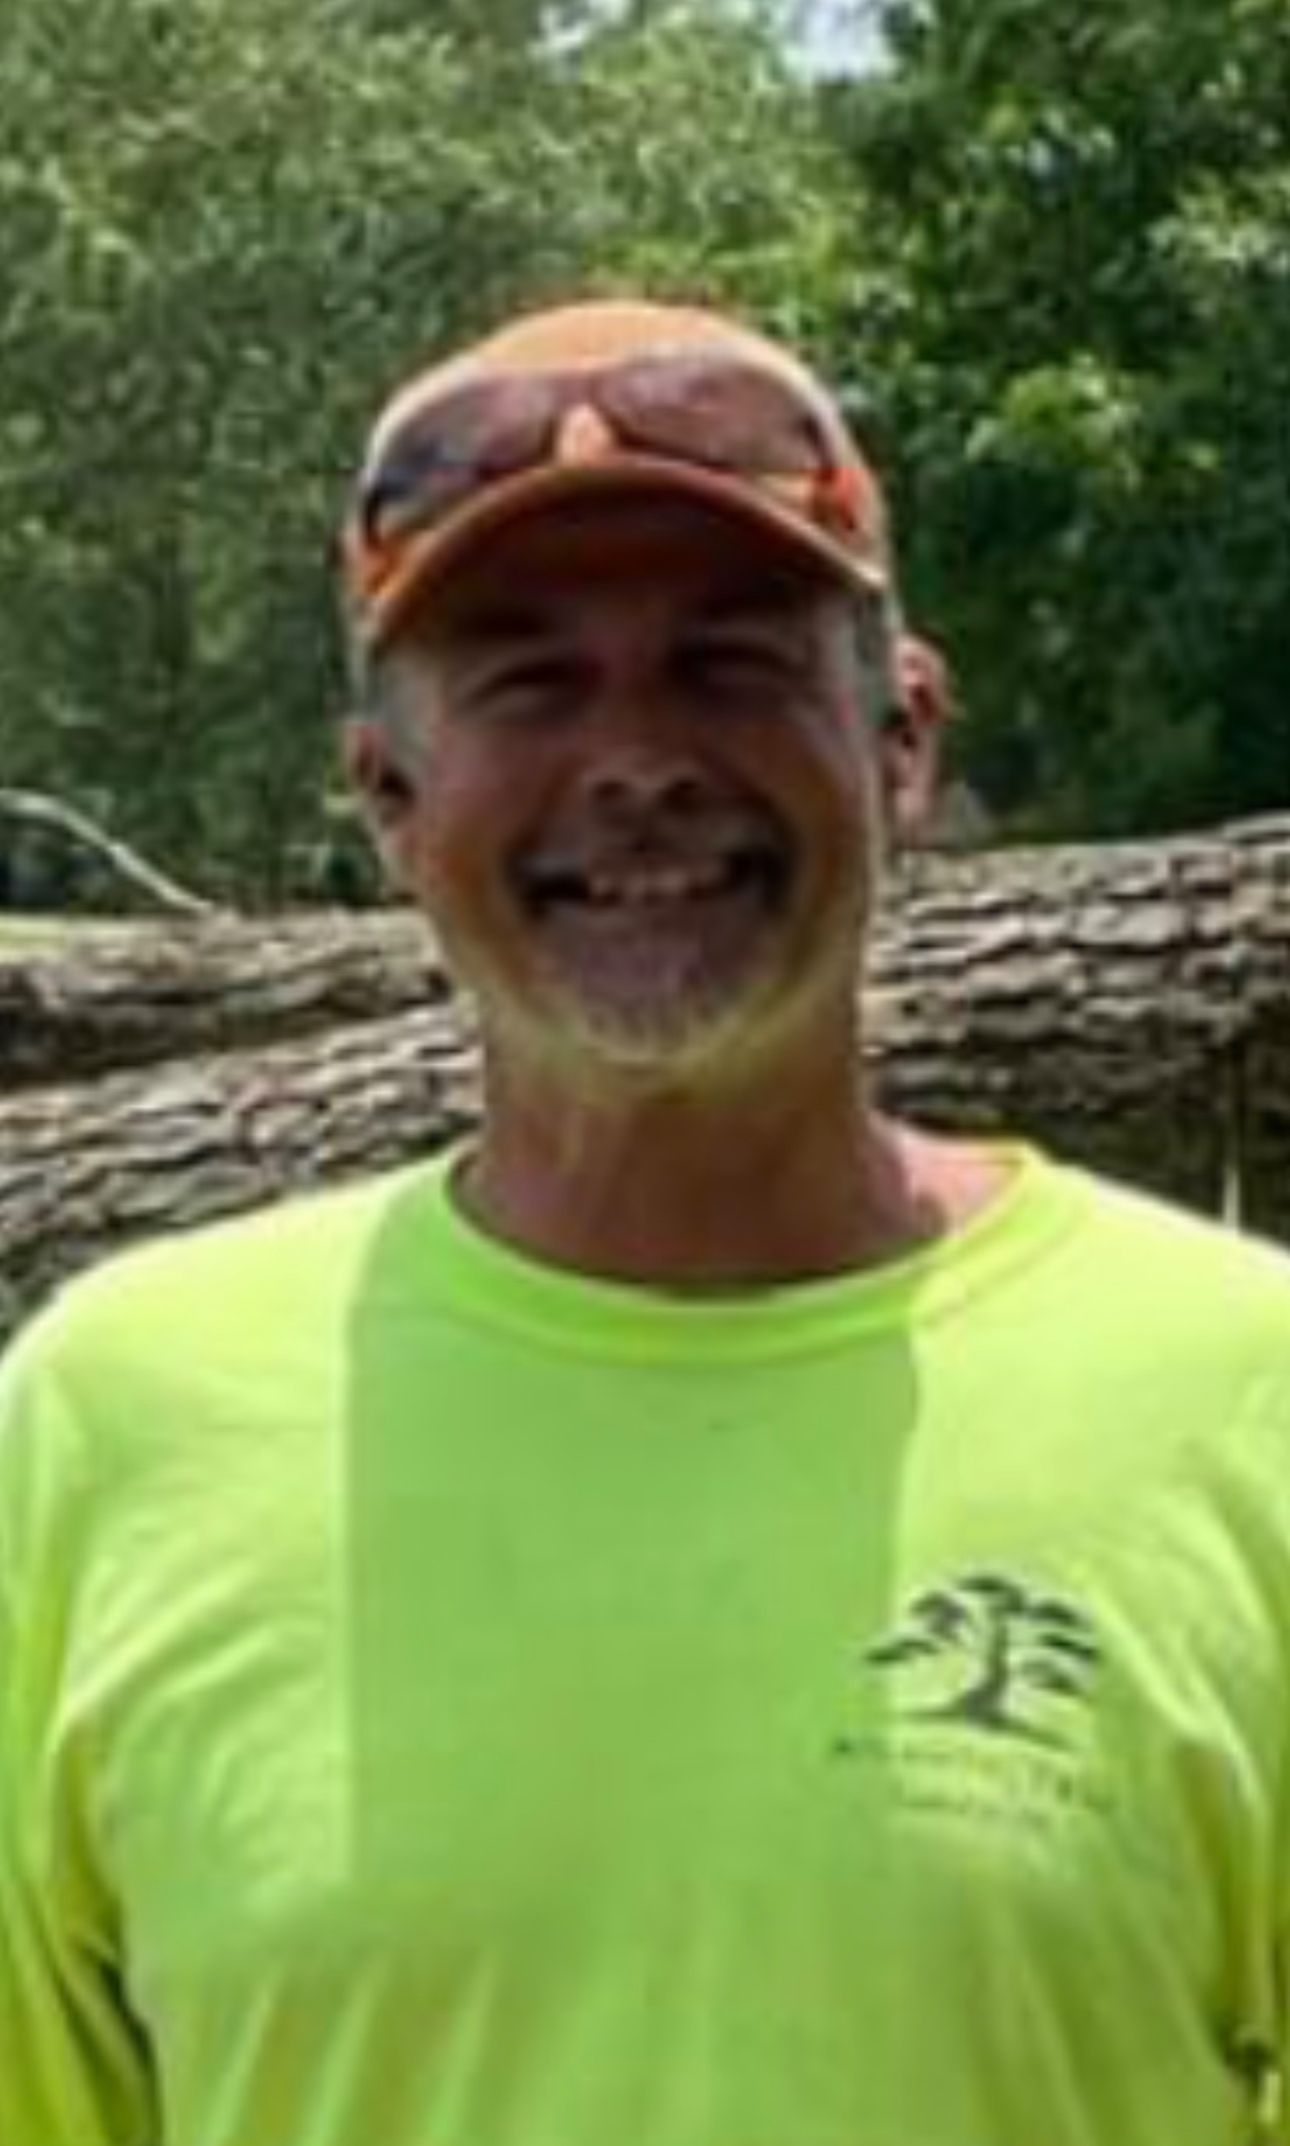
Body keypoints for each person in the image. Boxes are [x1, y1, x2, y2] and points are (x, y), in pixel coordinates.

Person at [3, 298, 1290, 2146]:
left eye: (730, 664)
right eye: (526, 681)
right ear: (387, 792)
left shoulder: (1231, 1395)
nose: (637, 759)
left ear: (901, 738)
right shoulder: (110, 1426)